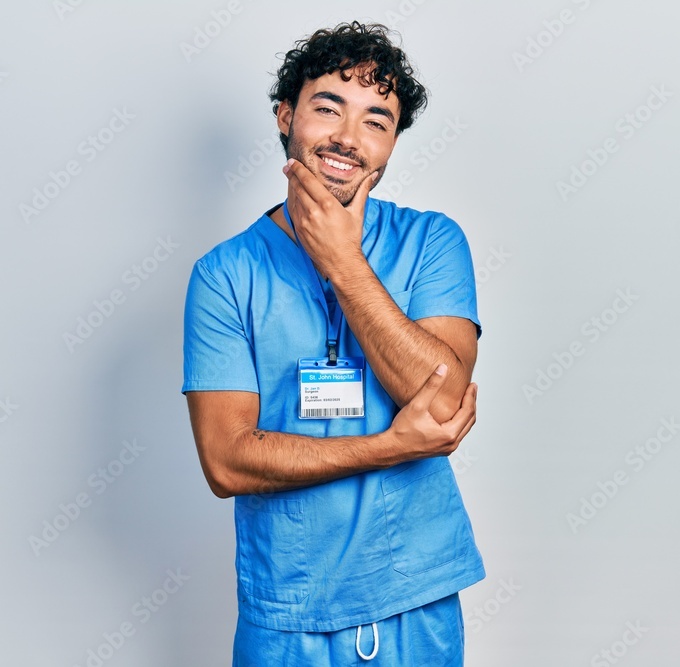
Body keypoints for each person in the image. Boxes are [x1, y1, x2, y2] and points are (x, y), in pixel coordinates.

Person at [182, 21, 484, 665]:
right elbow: (227, 462)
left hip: (415, 597)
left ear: (392, 145)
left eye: (377, 120)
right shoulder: (225, 275)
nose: (349, 137)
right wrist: (386, 447)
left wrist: (345, 264)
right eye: (328, 108)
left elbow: (442, 402)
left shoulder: (433, 242)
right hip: (288, 613)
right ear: (286, 115)